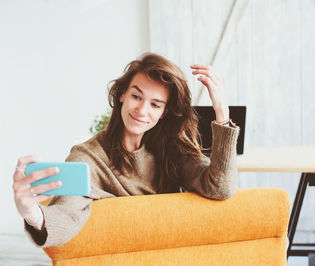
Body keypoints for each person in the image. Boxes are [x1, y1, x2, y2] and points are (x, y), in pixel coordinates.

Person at [12, 53, 240, 248]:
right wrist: (31, 213)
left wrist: (222, 112)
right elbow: (66, 214)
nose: (142, 110)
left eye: (155, 104)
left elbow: (220, 187)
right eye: (136, 96)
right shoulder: (88, 158)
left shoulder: (172, 150)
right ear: (122, 95)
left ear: (165, 112)